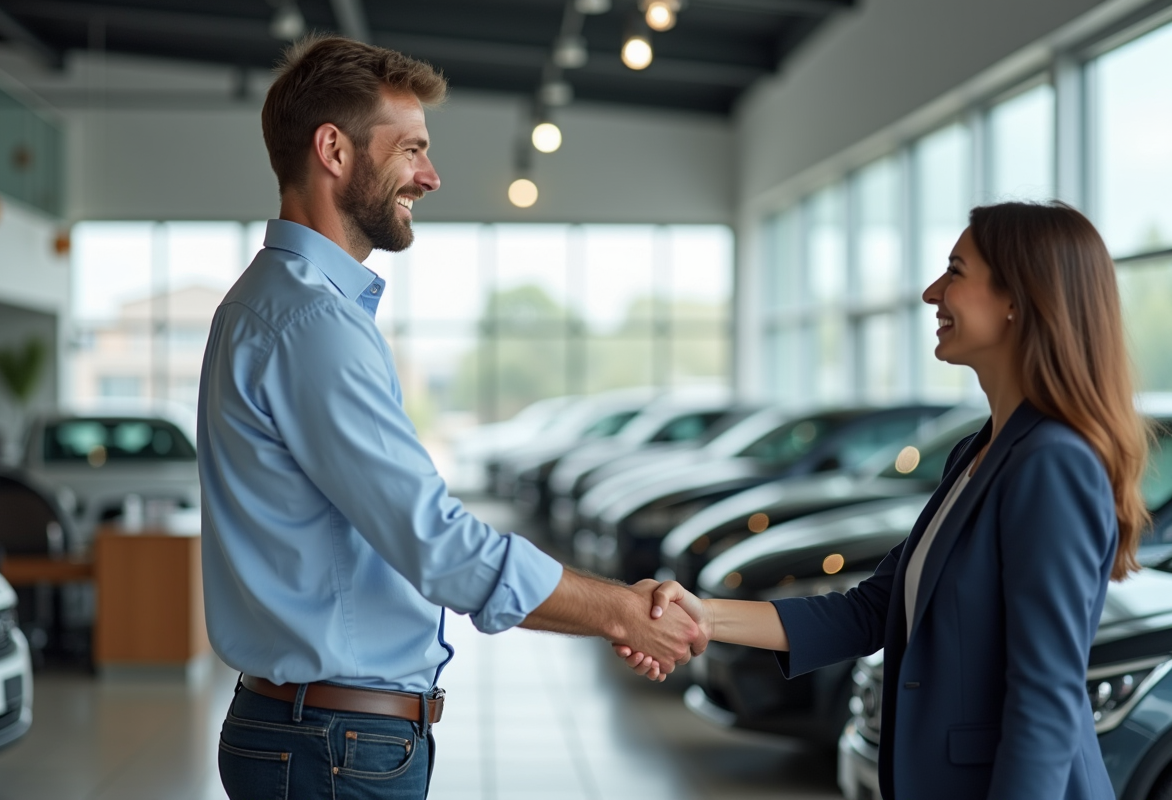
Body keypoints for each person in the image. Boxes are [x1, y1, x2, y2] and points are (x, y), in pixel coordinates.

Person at [197, 35, 703, 800]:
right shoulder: (311, 322)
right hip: (333, 746)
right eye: (411, 150)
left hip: (315, 733)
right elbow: (433, 542)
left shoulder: (270, 304)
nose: (430, 176)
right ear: (333, 150)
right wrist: (621, 613)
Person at [620, 201, 1149, 800]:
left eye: (955, 271)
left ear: (1018, 299)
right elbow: (870, 611)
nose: (931, 292)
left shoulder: (1052, 461)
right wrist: (704, 616)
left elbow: (1044, 701)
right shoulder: (978, 453)